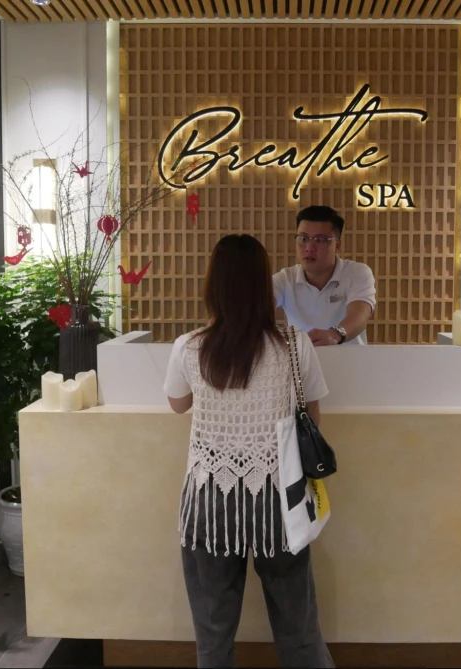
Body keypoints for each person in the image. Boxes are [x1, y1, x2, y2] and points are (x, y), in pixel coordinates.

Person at [164, 234, 334, 669]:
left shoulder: (190, 346)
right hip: (280, 502)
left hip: (209, 504)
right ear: (263, 286)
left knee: (213, 638)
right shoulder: (294, 344)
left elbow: (178, 403)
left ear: (213, 286)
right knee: (298, 632)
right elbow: (312, 417)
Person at [273, 205, 377, 346]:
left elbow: (360, 315)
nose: (309, 248)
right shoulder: (285, 279)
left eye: (320, 240)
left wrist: (335, 334)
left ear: (337, 245)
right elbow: (259, 308)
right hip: (303, 359)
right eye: (303, 238)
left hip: (351, 358)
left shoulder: (357, 273)